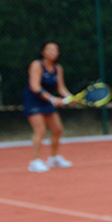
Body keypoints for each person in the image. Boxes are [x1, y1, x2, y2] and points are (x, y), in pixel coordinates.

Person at [24, 40, 73, 172]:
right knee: (40, 131)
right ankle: (34, 162)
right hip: (33, 100)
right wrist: (52, 98)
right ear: (43, 52)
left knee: (57, 130)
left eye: (55, 49)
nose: (53, 52)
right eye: (49, 49)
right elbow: (34, 86)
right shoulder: (36, 64)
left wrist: (69, 98)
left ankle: (53, 158)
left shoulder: (58, 68)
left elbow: (61, 88)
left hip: (47, 101)